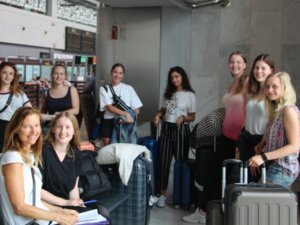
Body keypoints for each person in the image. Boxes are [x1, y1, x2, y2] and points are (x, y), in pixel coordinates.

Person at [182, 51, 247, 224]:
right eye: (232, 62)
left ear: (245, 65)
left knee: (227, 177)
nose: (235, 65)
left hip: (238, 139)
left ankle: (216, 214)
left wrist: (243, 138)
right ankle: (203, 213)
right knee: (214, 174)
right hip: (225, 136)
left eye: (239, 62)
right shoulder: (232, 84)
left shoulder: (248, 83)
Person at [0, 107, 78, 225]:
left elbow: (35, 200)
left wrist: (62, 211)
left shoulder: (29, 156)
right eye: (26, 126)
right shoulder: (12, 158)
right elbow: (19, 207)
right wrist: (60, 217)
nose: (33, 131)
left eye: (36, 125)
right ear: (16, 129)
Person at [153, 66, 196, 208]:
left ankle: (178, 195)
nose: (174, 79)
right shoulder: (169, 94)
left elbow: (192, 117)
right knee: (163, 161)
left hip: (181, 130)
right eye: (172, 77)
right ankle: (162, 194)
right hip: (167, 128)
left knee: (180, 163)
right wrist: (158, 116)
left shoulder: (189, 95)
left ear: (182, 76)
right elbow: (165, 112)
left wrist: (184, 117)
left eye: (177, 76)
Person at [249, 72, 300, 187]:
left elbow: (294, 146)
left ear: (285, 88)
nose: (270, 90)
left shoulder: (289, 110)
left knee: (258, 201)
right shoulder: (277, 111)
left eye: (275, 86)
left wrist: (263, 157)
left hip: (283, 169)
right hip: (275, 166)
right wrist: (263, 143)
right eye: (267, 86)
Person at [236, 54, 275, 182]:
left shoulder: (273, 93)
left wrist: (261, 148)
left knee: (258, 181)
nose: (259, 71)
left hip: (263, 142)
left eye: (263, 68)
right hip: (246, 140)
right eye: (256, 68)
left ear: (271, 70)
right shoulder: (252, 90)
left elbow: (274, 123)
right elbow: (245, 119)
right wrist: (238, 147)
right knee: (244, 180)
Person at [39, 111, 85, 209]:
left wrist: (76, 205)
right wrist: (65, 203)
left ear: (74, 131)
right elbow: (37, 190)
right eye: (59, 127)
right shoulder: (42, 152)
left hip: (66, 204)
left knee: (103, 213)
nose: (63, 131)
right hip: (45, 206)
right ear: (53, 129)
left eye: (68, 127)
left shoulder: (76, 154)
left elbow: (73, 188)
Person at [99, 63, 143, 146]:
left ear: (123, 75)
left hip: (125, 123)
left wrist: (127, 117)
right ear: (111, 73)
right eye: (115, 72)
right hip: (109, 122)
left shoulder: (129, 88)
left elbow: (137, 109)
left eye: (120, 73)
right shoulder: (104, 89)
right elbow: (109, 108)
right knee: (109, 150)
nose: (117, 75)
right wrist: (125, 114)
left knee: (125, 150)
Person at [0, 62, 32, 152]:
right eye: (4, 72)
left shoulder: (19, 93)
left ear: (14, 76)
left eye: (11, 73)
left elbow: (30, 111)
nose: (7, 76)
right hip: (1, 130)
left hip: (16, 129)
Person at [40, 63, 80, 131]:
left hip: (67, 126)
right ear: (52, 75)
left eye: (61, 74)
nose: (59, 76)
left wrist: (59, 114)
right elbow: (43, 110)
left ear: (65, 76)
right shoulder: (47, 93)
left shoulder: (72, 90)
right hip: (51, 126)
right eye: (56, 73)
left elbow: (76, 110)